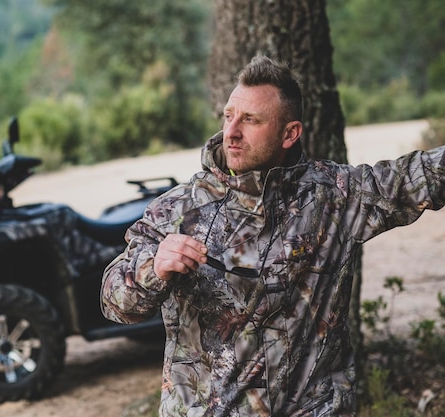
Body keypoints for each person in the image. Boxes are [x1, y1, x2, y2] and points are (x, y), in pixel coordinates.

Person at [100, 55, 445, 417]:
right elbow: (114, 304)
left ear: (289, 133)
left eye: (250, 120)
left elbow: (420, 176)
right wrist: (153, 268)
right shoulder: (176, 211)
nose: (231, 132)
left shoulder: (335, 196)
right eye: (229, 115)